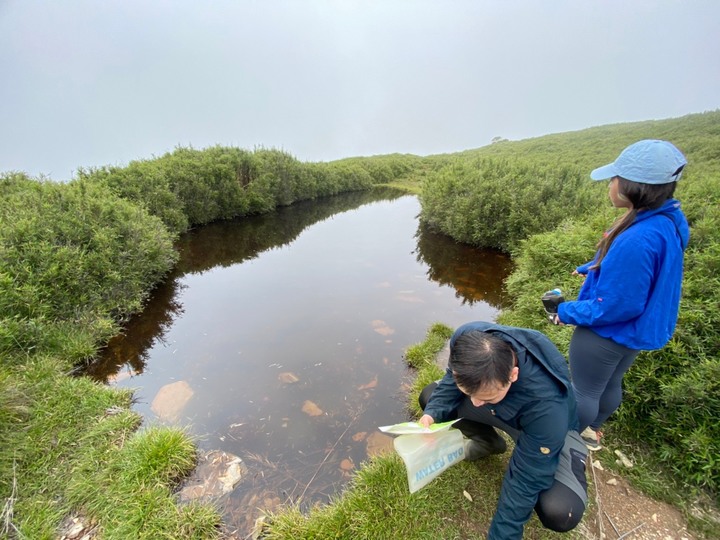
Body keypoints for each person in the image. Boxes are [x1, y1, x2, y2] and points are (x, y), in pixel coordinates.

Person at [555, 139, 690, 451]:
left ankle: (562, 441)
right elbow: (642, 268)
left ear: (632, 185)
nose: (610, 185)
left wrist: (565, 312)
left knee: (584, 391)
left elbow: (616, 306)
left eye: (614, 179)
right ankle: (593, 432)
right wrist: (595, 266)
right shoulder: (667, 220)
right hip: (634, 333)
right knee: (610, 383)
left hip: (608, 332)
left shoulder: (638, 238)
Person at [418, 321, 588, 540]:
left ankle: (569, 458)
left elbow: (525, 479)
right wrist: (432, 413)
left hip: (546, 429)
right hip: (504, 409)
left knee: (560, 511)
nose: (475, 403)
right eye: (470, 394)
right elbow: (453, 377)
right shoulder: (467, 338)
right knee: (431, 397)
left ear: (513, 375)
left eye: (486, 396)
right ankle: (488, 442)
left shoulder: (547, 406)